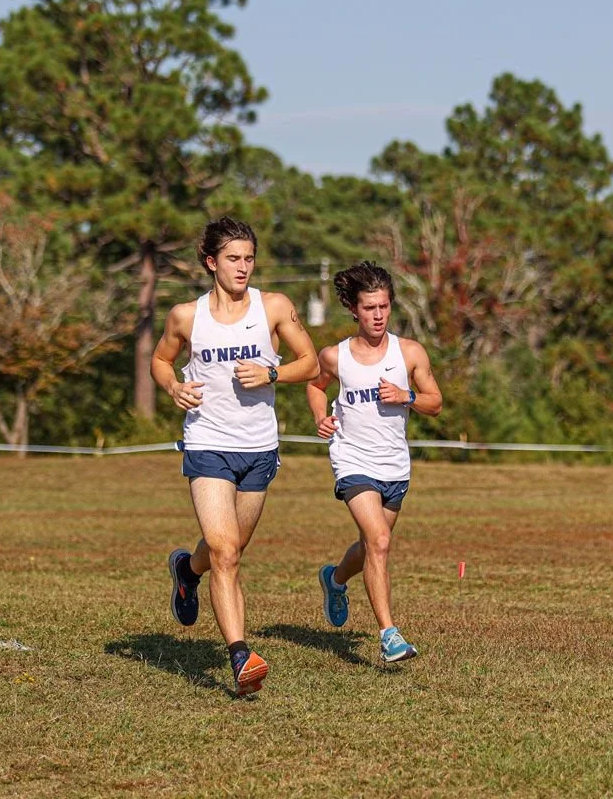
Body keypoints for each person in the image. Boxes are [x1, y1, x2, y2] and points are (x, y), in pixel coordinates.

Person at [151, 217, 319, 696]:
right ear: (211, 263)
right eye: (233, 258)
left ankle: (187, 571)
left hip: (259, 448)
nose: (243, 267)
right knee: (225, 552)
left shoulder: (274, 307)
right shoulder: (187, 316)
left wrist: (272, 374)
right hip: (207, 443)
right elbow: (161, 360)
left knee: (229, 549)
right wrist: (174, 388)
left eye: (249, 258)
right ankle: (240, 655)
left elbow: (309, 361)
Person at [306, 261, 442, 663]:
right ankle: (389, 634)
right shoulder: (336, 356)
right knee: (380, 541)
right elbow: (316, 386)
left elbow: (435, 402)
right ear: (354, 309)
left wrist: (408, 397)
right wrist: (321, 417)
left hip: (395, 465)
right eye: (370, 308)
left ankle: (334, 579)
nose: (378, 315)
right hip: (352, 460)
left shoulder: (410, 353)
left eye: (384, 306)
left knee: (371, 547)